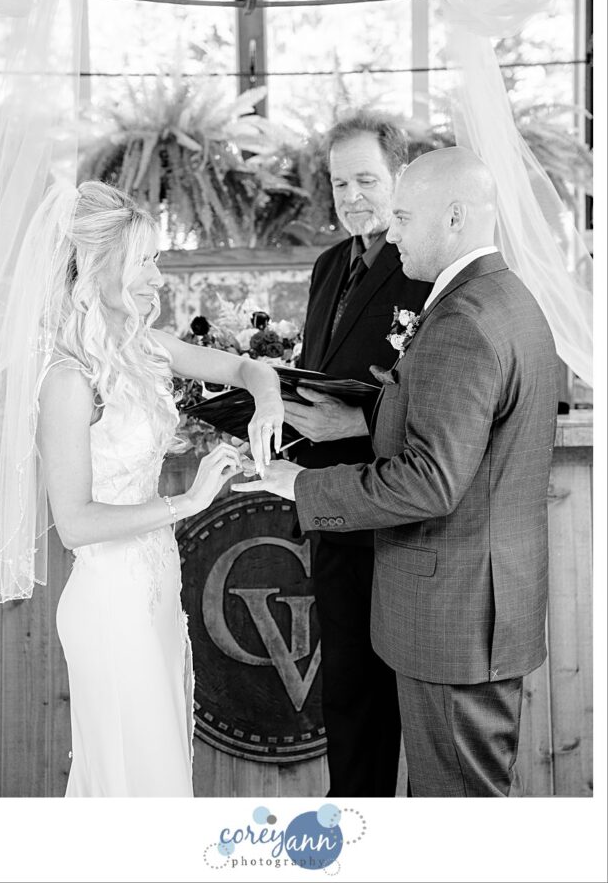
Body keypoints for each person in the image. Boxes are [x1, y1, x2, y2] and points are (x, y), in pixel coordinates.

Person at [234, 146, 560, 798]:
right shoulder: (501, 297)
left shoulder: (463, 321)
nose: (393, 232)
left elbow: (429, 480)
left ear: (455, 217)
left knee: (455, 806)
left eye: (404, 217)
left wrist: (298, 484)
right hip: (476, 603)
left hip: (456, 613)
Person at [0, 180, 284, 798]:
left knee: (156, 783)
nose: (157, 278)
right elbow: (75, 523)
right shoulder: (67, 379)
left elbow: (243, 367)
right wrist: (189, 502)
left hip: (157, 596)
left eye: (156, 259)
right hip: (111, 608)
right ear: (97, 269)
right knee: (135, 790)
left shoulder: (142, 348)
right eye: (142, 261)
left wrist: (267, 400)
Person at [282, 110, 431, 797]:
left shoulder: (422, 263)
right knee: (346, 696)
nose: (351, 197)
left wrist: (359, 419)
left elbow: (438, 396)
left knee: (409, 705)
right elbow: (323, 373)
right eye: (340, 183)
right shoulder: (327, 265)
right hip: (331, 513)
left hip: (398, 514)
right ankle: (353, 831)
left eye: (366, 179)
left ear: (401, 175)